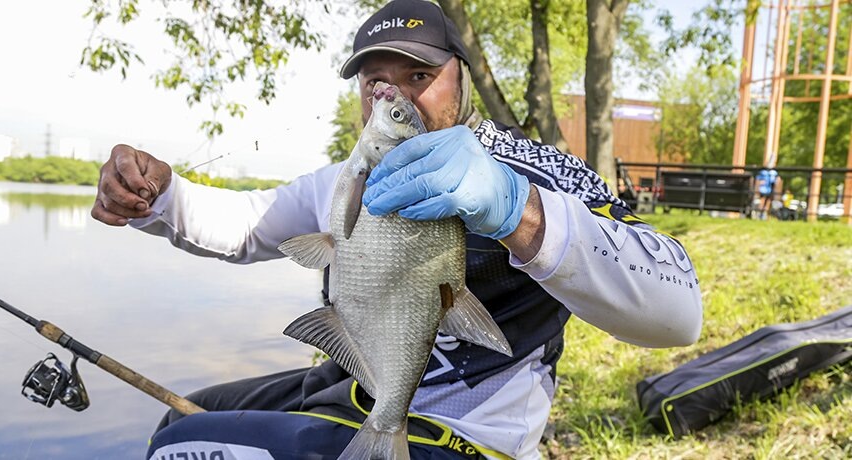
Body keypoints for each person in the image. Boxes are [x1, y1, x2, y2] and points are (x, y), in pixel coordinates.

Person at [91, 1, 703, 458]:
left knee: (187, 448)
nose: (392, 92)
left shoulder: (535, 171)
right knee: (179, 424)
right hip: (346, 389)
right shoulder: (350, 175)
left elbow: (679, 312)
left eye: (418, 76)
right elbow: (252, 225)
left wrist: (519, 211)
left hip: (462, 436)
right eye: (374, 80)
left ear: (462, 76)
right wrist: (160, 194)